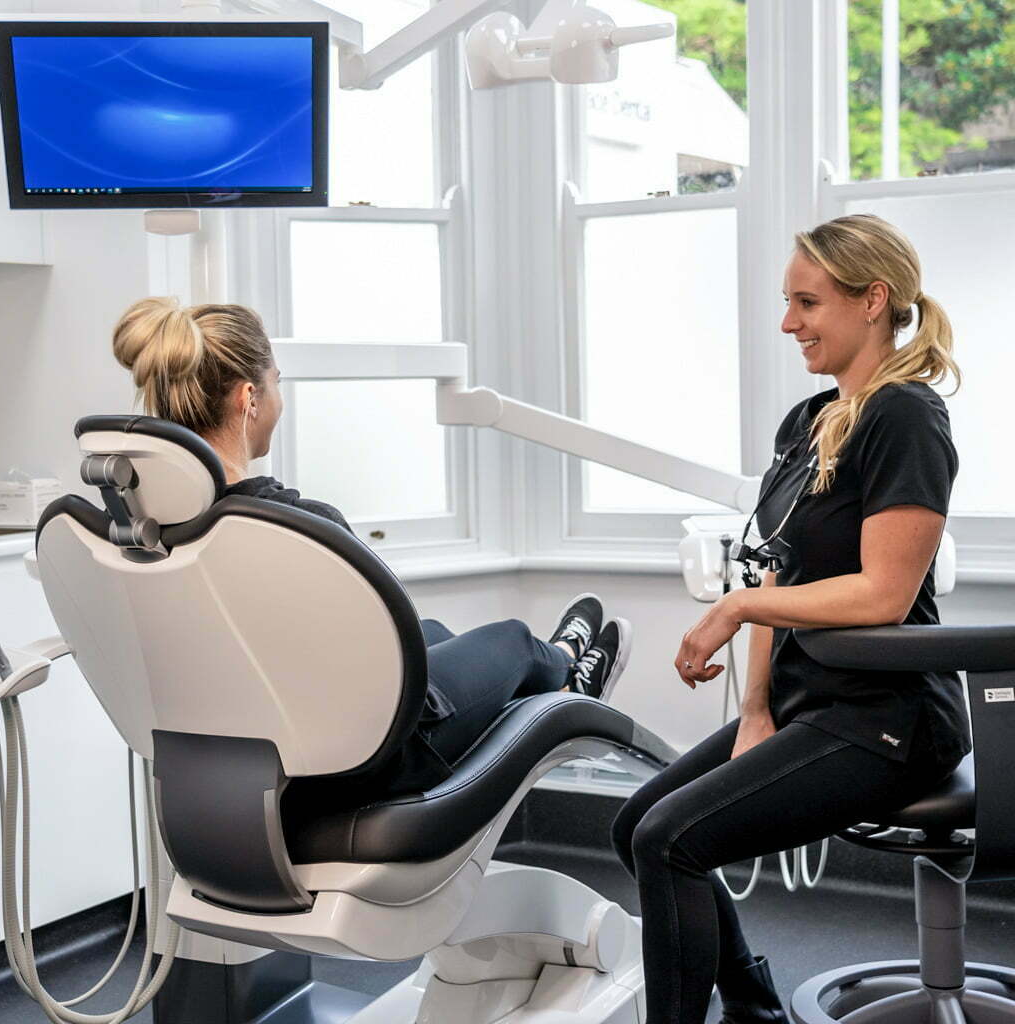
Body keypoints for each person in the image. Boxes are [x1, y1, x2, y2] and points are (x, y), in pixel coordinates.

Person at [610, 213, 971, 1024]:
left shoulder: (906, 417)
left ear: (872, 300)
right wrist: (755, 710)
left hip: (888, 717)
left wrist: (737, 608)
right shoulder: (806, 423)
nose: (787, 323)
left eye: (806, 303)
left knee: (671, 840)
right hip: (812, 702)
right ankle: (754, 1006)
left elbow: (881, 593)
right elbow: (774, 564)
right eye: (787, 302)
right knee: (637, 823)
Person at [110, 297, 632, 797]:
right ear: (250, 398)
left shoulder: (152, 526)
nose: (279, 401)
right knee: (513, 640)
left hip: (252, 752)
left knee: (435, 635)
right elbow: (385, 624)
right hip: (371, 759)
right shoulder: (296, 527)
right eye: (276, 385)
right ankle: (564, 672)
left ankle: (550, 686)